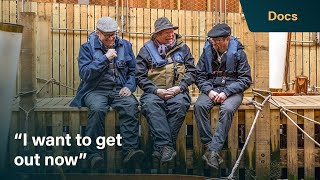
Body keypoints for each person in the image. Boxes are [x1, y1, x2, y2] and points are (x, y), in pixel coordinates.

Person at [70, 16, 144, 169]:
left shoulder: (125, 46)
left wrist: (129, 87)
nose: (111, 37)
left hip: (119, 89)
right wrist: (105, 58)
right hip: (95, 90)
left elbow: (133, 72)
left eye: (114, 34)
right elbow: (85, 74)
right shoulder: (87, 48)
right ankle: (93, 154)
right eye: (107, 35)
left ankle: (130, 151)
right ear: (98, 33)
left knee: (130, 106)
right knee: (97, 109)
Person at [136, 17, 196, 163]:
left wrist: (180, 88)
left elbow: (192, 71)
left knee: (180, 105)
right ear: (157, 35)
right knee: (150, 105)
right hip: (154, 92)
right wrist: (156, 91)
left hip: (178, 91)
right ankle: (166, 146)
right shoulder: (145, 51)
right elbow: (139, 77)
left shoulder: (183, 48)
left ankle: (161, 147)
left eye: (172, 32)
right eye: (166, 33)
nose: (171, 35)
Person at [194, 23, 252, 169]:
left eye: (218, 40)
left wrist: (226, 92)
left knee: (226, 109)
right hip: (212, 88)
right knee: (199, 105)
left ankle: (214, 150)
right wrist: (209, 91)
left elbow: (245, 80)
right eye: (213, 40)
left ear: (228, 39)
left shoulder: (239, 53)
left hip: (232, 91)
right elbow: (199, 76)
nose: (215, 43)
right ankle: (209, 147)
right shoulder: (207, 51)